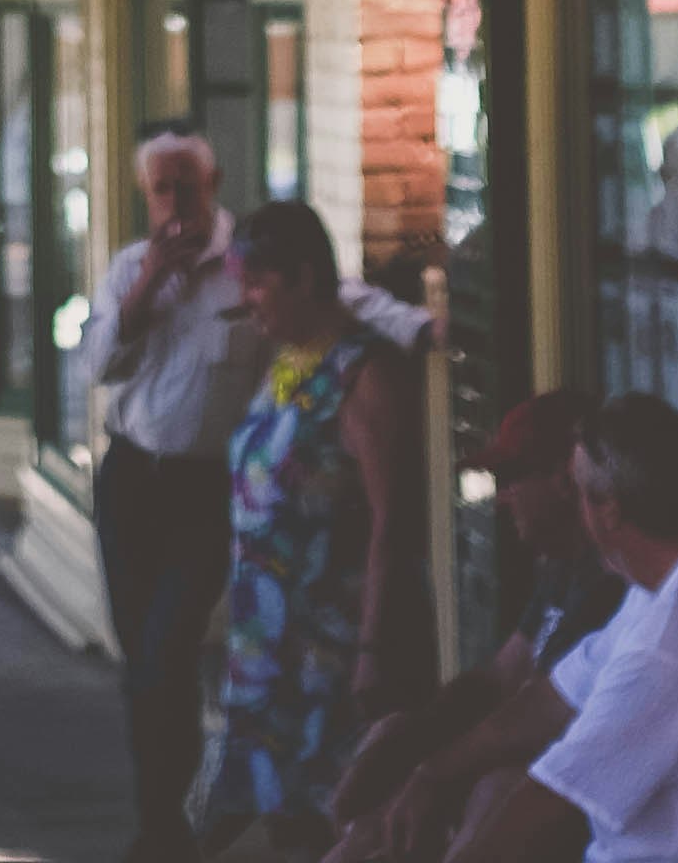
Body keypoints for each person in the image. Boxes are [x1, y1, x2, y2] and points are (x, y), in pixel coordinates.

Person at [438, 396, 678, 863]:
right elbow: (551, 698)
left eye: (578, 491)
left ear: (610, 509)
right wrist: (428, 781)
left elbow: (541, 808)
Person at [204, 200, 421, 859]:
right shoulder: (287, 363)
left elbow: (396, 520)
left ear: (304, 277)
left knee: (332, 828)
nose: (246, 301)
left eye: (257, 283)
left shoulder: (361, 375)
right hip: (265, 653)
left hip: (329, 651)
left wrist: (372, 650)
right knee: (281, 826)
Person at [320, 393, 616, 863]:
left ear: (564, 479)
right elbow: (498, 677)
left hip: (573, 797)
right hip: (512, 766)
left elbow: (538, 716)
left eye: (512, 479)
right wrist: (408, 740)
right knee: (390, 756)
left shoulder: (612, 585)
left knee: (490, 791)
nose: (500, 499)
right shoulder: (561, 566)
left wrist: (432, 774)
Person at [78, 125, 250, 862]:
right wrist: (149, 285)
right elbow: (98, 367)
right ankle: (161, 819)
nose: (176, 201)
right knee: (142, 661)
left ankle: (170, 821)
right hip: (130, 481)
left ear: (213, 187)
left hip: (204, 487)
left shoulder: (247, 269)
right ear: (147, 197)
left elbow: (331, 307)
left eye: (188, 185)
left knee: (169, 649)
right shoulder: (127, 269)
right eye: (162, 189)